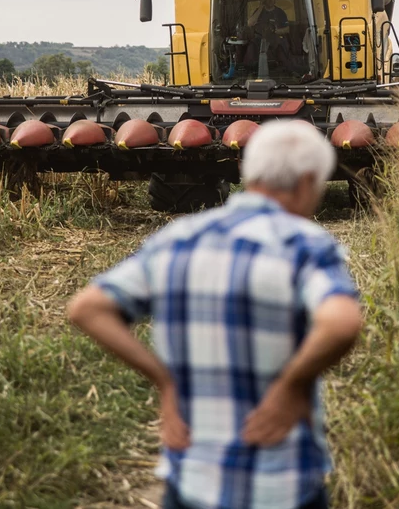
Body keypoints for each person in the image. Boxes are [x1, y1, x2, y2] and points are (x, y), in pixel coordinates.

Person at [68, 121, 363, 509]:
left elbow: (87, 308)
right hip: (282, 484)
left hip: (191, 481)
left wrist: (165, 382)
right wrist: (291, 386)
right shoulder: (304, 245)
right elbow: (342, 323)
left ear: (247, 172)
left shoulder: (178, 238)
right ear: (308, 182)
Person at [243, 0, 293, 73]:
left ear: (275, 0)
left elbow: (287, 29)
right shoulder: (258, 11)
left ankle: (287, 72)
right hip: (259, 39)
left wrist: (276, 31)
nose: (270, 0)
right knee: (250, 50)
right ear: (264, 0)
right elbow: (250, 23)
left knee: (283, 53)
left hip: (276, 38)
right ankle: (248, 72)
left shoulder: (280, 12)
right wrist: (260, 7)